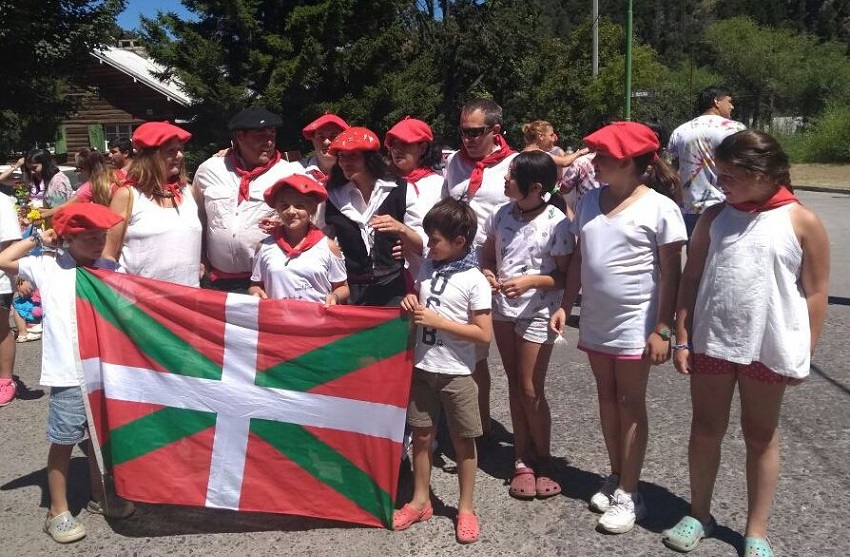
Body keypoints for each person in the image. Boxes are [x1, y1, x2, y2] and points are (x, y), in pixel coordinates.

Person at [662, 130, 830, 556]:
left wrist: (804, 351)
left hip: (769, 346)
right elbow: (692, 278)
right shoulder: (714, 217)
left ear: (764, 173)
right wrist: (682, 335)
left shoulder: (800, 219)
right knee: (705, 429)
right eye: (720, 174)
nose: (722, 184)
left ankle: (756, 530)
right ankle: (699, 513)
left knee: (761, 435)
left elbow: (815, 292)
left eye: (731, 176)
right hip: (713, 342)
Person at [550, 121, 687, 534]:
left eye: (605, 156)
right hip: (596, 321)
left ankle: (630, 492)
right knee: (606, 399)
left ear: (630, 164)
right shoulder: (590, 201)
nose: (596, 161)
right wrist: (564, 304)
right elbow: (578, 259)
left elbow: (672, 274)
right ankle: (616, 474)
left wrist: (664, 328)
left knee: (631, 403)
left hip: (636, 323)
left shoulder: (661, 208)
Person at [0, 203, 135, 542]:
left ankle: (100, 495)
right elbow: (3, 260)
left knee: (99, 442)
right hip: (67, 374)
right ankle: (56, 510)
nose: (97, 242)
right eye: (88, 236)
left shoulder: (108, 266)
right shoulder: (48, 265)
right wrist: (36, 238)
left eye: (101, 235)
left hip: (101, 369)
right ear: (67, 238)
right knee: (63, 441)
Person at [394, 197, 492, 544]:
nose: (429, 245)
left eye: (434, 240)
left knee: (464, 440)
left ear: (460, 243)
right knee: (421, 435)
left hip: (456, 373)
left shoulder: (474, 279)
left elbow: (483, 333)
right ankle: (420, 500)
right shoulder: (428, 268)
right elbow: (420, 306)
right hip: (423, 366)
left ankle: (465, 508)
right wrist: (411, 304)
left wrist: (439, 321)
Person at [481, 151, 573, 499]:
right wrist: (489, 272)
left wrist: (533, 281)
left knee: (531, 387)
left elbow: (564, 276)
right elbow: (488, 255)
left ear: (535, 187)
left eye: (511, 176)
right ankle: (522, 459)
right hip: (503, 309)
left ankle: (544, 458)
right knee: (516, 386)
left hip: (539, 312)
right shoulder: (501, 215)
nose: (504, 180)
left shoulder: (556, 222)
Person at [443, 98, 517, 441]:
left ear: (495, 131)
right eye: (463, 132)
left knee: (487, 357)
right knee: (466, 354)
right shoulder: (455, 164)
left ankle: (484, 429)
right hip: (457, 267)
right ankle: (470, 427)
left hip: (498, 269)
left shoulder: (514, 165)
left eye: (475, 132)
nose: (468, 139)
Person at [193, 107, 306, 293]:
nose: (269, 142)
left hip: (269, 283)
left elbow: (311, 223)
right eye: (260, 135)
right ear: (239, 137)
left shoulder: (291, 174)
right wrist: (201, 259)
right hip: (217, 282)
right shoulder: (210, 169)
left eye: (272, 134)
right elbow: (199, 218)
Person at [323, 126, 425, 307]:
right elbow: (319, 239)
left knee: (392, 336)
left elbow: (422, 245)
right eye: (341, 157)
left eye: (353, 155)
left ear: (369, 158)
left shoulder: (400, 189)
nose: (346, 162)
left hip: (393, 288)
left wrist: (401, 229)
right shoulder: (332, 197)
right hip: (351, 290)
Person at [105, 121, 202, 286]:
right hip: (141, 302)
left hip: (188, 299)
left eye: (180, 149)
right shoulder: (127, 196)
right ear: (150, 157)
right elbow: (107, 253)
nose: (179, 156)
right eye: (171, 150)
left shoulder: (190, 193)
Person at [249, 174, 349, 304]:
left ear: (312, 209)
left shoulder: (328, 247)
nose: (291, 211)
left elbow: (342, 286)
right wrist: (256, 292)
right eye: (284, 205)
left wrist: (335, 296)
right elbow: (255, 284)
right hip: (279, 321)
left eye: (299, 205)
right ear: (277, 209)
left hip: (317, 321)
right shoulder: (264, 247)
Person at [668, 86, 746, 238]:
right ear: (716, 101)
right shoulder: (735, 129)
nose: (732, 106)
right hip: (727, 207)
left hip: (691, 208)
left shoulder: (680, 131)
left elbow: (670, 170)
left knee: (696, 256)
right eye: (729, 101)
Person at [385, 116, 444, 214]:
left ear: (423, 148)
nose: (397, 150)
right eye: (393, 144)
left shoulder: (438, 185)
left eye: (404, 143)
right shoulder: (382, 183)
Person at [0, 189, 21, 405]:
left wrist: (20, 276)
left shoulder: (3, 202)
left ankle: (5, 380)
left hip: (0, 277)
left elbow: (13, 242)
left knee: (1, 328)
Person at [301, 113, 350, 184]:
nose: (327, 142)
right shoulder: (297, 172)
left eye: (333, 136)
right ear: (313, 140)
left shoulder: (356, 177)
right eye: (321, 137)